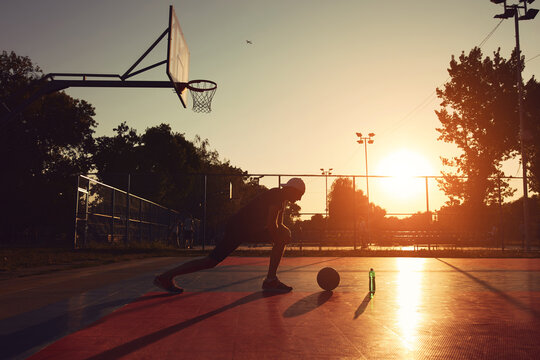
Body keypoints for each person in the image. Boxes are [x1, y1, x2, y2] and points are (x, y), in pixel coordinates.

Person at [153, 178, 306, 294]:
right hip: (239, 228)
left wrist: (283, 235)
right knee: (210, 261)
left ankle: (271, 280)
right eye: (299, 195)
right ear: (292, 190)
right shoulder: (277, 197)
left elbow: (278, 225)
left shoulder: (279, 197)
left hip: (247, 229)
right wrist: (280, 239)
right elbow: (273, 225)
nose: (299, 199)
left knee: (282, 236)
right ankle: (165, 277)